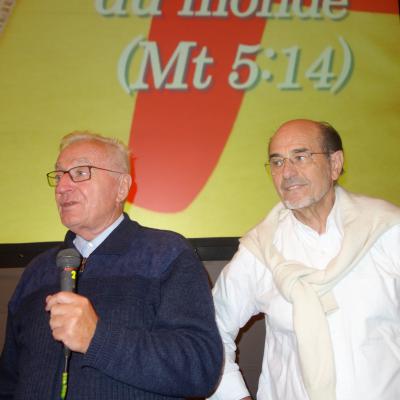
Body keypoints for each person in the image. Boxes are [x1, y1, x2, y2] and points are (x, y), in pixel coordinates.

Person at [0, 131, 223, 400]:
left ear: (121, 187)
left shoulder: (167, 255)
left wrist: (97, 339)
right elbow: (8, 380)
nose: (62, 187)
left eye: (80, 173)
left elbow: (200, 369)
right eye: (59, 176)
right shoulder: (37, 271)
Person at [210, 119, 400, 400]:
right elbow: (210, 330)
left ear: (335, 164)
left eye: (300, 157)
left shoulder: (386, 230)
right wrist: (235, 396)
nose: (287, 173)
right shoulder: (260, 251)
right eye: (277, 162)